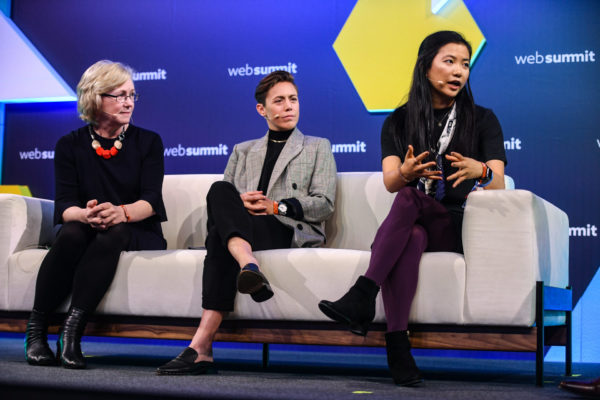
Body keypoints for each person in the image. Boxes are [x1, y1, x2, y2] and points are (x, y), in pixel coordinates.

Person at [318, 31, 507, 386]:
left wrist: (480, 169)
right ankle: (397, 347)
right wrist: (404, 172)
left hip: (454, 224)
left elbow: (499, 182)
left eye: (465, 64)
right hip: (415, 223)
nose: (459, 72)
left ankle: (363, 294)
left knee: (407, 200)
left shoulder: (482, 119)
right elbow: (392, 180)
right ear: (425, 67)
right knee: (411, 227)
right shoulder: (398, 121)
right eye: (449, 62)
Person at [156, 70, 337, 375]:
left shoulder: (317, 146)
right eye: (279, 101)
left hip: (285, 228)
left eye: (293, 99)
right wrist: (241, 203)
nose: (288, 106)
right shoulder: (243, 150)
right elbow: (222, 200)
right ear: (262, 109)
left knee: (218, 239)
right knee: (219, 191)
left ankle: (202, 347)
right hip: (245, 228)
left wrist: (276, 205)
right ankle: (247, 265)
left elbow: (325, 204)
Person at [24, 60, 167, 369]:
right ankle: (36, 332)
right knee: (73, 232)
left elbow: (152, 201)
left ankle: (72, 332)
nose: (128, 101)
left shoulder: (149, 142)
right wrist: (85, 215)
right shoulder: (69, 145)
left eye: (132, 94)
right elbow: (64, 205)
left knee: (112, 232)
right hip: (89, 227)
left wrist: (121, 212)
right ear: (95, 97)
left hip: (137, 229)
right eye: (119, 95)